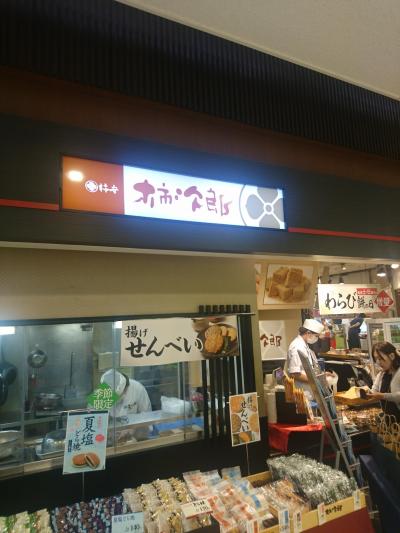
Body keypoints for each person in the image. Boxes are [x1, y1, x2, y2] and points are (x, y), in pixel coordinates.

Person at [286, 318, 335, 397]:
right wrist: (317, 381)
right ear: (308, 333)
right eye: (316, 336)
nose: (317, 338)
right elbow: (295, 374)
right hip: (303, 393)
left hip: (310, 392)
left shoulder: (305, 345)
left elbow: (309, 369)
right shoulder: (297, 347)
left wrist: (322, 375)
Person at [101, 369, 152, 441]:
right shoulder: (101, 393)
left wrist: (132, 428)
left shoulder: (137, 388)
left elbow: (147, 415)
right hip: (112, 437)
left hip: (135, 436)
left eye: (118, 396)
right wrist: (108, 431)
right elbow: (98, 420)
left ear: (126, 388)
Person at [366, 342, 400, 421]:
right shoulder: (381, 374)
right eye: (376, 359)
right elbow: (374, 390)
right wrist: (368, 394)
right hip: (390, 420)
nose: (378, 362)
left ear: (392, 356)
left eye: (380, 358)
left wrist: (382, 396)